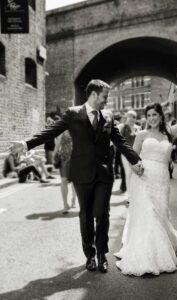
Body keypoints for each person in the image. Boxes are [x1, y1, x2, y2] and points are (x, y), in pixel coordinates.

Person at [9, 79, 143, 273]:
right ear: (94, 95)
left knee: (102, 214)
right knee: (86, 214)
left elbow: (120, 142)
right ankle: (89, 254)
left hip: (104, 174)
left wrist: (136, 160)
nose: (106, 101)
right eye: (105, 97)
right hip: (81, 173)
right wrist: (26, 144)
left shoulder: (108, 116)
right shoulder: (73, 114)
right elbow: (51, 131)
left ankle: (101, 255)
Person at [115, 89, 177, 276]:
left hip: (162, 180)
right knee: (149, 214)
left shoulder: (170, 133)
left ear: (161, 116)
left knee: (159, 215)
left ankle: (161, 245)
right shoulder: (141, 135)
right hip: (143, 179)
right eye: (149, 115)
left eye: (155, 114)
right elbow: (132, 156)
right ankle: (149, 256)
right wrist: (135, 167)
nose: (152, 118)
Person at [53, 130, 77, 214]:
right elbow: (57, 145)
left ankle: (73, 199)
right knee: (64, 180)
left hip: (77, 158)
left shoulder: (79, 128)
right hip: (64, 159)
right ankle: (65, 205)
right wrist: (53, 156)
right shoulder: (62, 130)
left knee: (75, 181)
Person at [120, 110, 140, 199]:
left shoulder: (138, 128)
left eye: (133, 117)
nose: (132, 119)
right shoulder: (124, 128)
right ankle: (129, 194)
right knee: (128, 173)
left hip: (136, 154)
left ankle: (134, 193)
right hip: (126, 154)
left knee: (135, 174)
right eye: (130, 117)